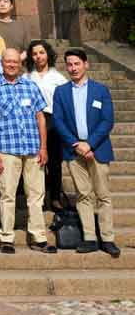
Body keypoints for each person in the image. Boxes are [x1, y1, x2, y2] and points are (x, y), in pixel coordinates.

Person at [0, 48, 57, 254]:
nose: (12, 65)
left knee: (36, 195)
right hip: (7, 149)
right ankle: (6, 237)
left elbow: (41, 117)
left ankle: (39, 237)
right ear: (2, 63)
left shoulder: (31, 86)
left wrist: (43, 147)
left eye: (15, 62)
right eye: (8, 62)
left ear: (20, 64)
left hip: (33, 148)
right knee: (7, 195)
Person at [52, 49, 120, 257]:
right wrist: (76, 144)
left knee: (103, 196)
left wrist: (89, 144)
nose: (73, 68)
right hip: (74, 152)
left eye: (76, 64)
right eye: (69, 64)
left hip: (97, 150)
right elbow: (58, 120)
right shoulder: (61, 92)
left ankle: (107, 238)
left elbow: (107, 120)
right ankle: (90, 237)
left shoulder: (101, 91)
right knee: (83, 194)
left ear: (86, 64)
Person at [25, 40, 70, 210]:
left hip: (53, 120)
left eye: (41, 52)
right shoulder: (26, 77)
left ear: (48, 54)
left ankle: (55, 197)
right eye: (35, 53)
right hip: (32, 121)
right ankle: (39, 197)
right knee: (36, 161)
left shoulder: (59, 78)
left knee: (54, 161)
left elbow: (66, 103)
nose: (38, 56)